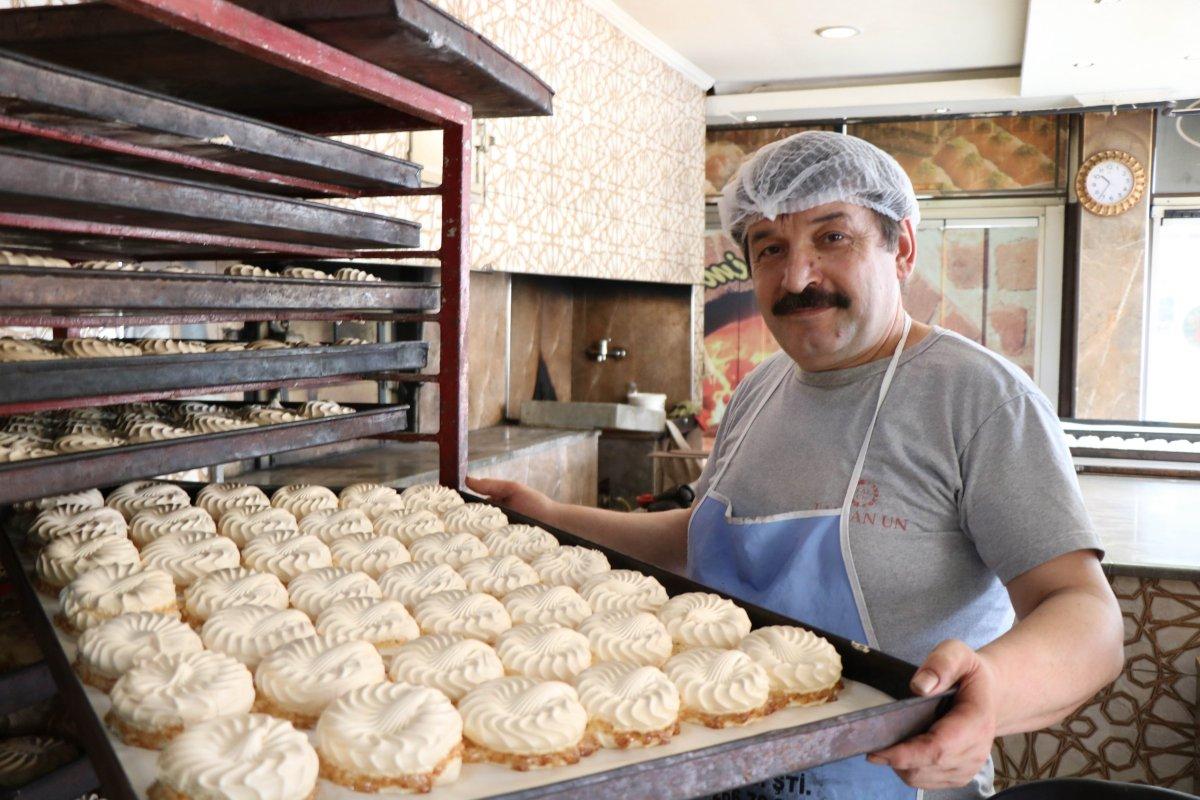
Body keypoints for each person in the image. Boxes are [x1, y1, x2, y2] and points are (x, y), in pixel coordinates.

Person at [468, 131, 1123, 799]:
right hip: (720, 760)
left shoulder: (979, 397)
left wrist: (995, 692)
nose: (797, 277)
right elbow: (705, 538)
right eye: (770, 248)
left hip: (884, 780)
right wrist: (549, 519)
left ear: (901, 249)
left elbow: (1086, 615)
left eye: (831, 238)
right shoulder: (760, 387)